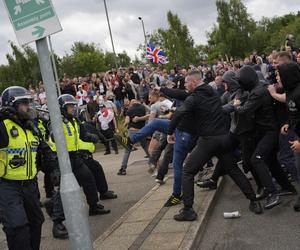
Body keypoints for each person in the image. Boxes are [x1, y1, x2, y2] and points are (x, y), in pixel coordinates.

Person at [168, 71, 262, 221]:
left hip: (208, 141)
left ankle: (188, 210)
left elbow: (180, 112)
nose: (185, 86)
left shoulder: (194, 97)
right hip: (224, 138)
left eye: (186, 83)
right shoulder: (211, 91)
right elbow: (183, 96)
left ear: (193, 82)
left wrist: (170, 131)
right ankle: (254, 201)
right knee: (233, 170)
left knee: (187, 171)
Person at [0, 86, 44, 250]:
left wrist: (53, 169)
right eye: (23, 103)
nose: (28, 107)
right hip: (7, 186)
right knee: (17, 226)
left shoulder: (30, 127)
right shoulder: (3, 126)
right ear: (11, 105)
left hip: (30, 185)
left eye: (28, 102)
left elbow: (43, 149)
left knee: (36, 222)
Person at [277, 62, 300, 211]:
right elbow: (294, 113)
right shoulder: (290, 91)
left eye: (280, 74)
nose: (278, 77)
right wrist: (288, 123)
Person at [117, 99, 150, 175]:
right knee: (146, 148)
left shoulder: (130, 110)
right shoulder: (143, 107)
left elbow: (127, 121)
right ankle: (153, 163)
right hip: (142, 131)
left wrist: (123, 126)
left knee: (127, 150)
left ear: (131, 103)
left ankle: (123, 168)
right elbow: (149, 114)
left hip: (132, 131)